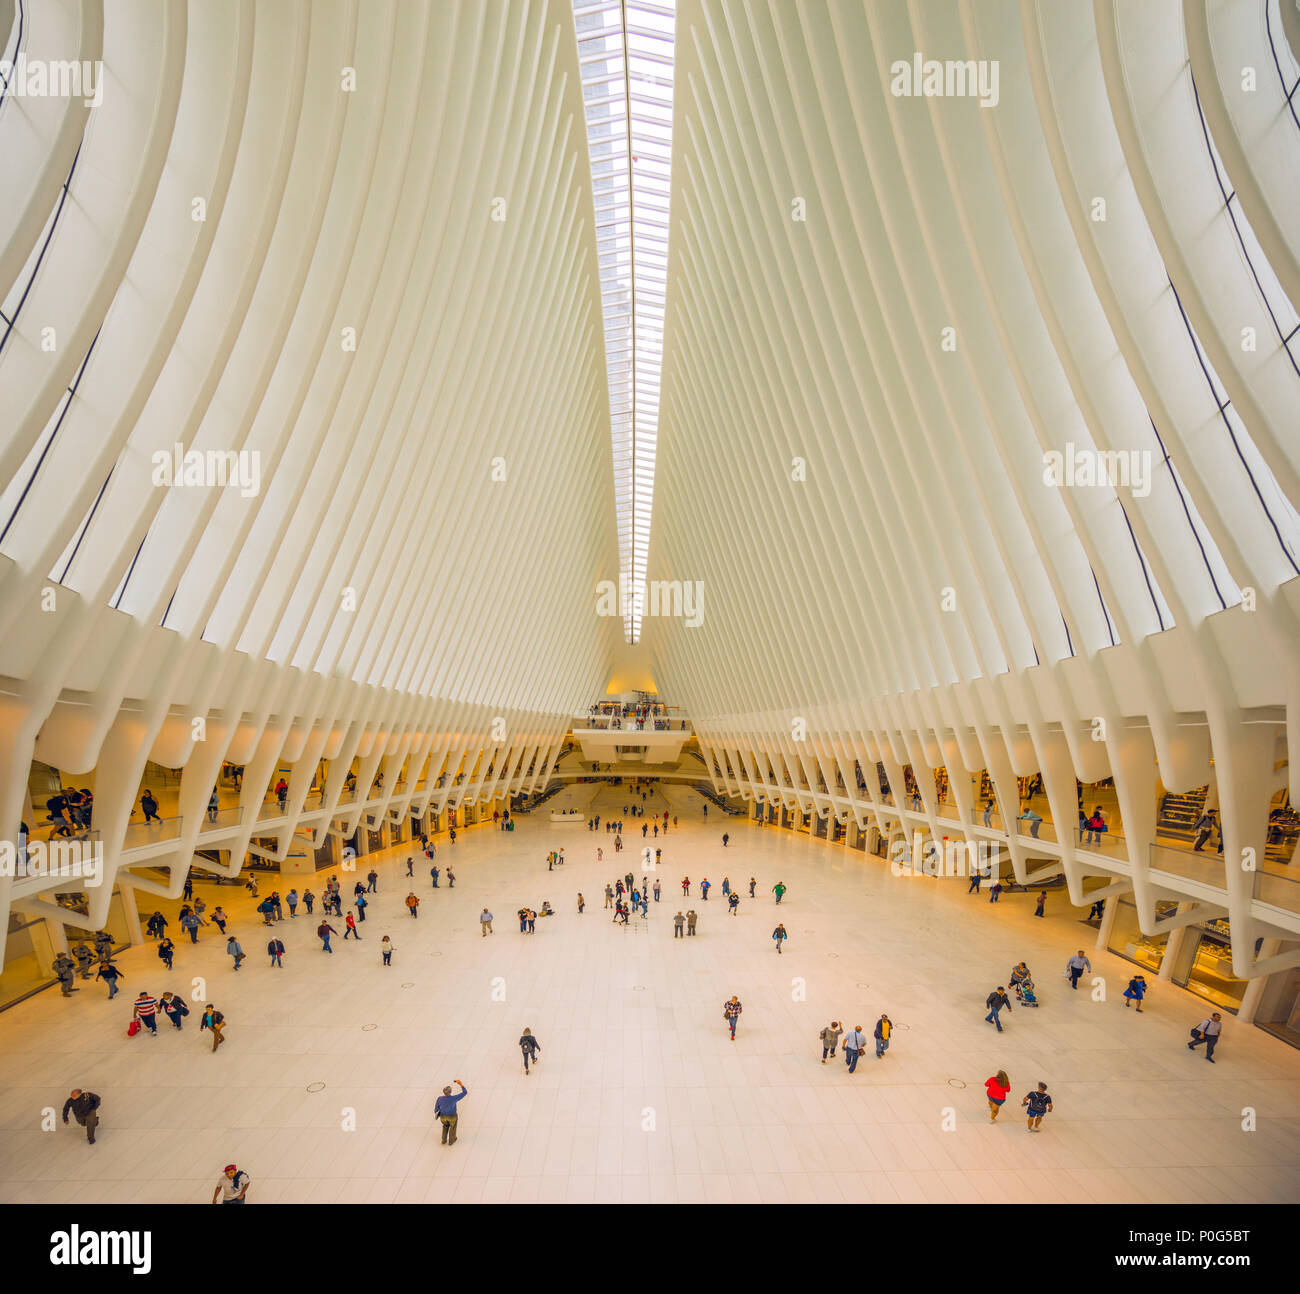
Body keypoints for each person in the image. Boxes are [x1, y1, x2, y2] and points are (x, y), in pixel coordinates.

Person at [435, 1080, 468, 1145]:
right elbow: (465, 1092)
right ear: (450, 1092)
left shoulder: (440, 1098)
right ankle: (451, 1140)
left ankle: (443, 1140)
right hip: (452, 1116)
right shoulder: (454, 1098)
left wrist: (437, 1113)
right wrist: (460, 1084)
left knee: (445, 1126)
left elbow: (436, 1108)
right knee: (453, 1127)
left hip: (443, 1116)